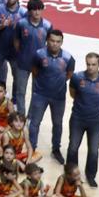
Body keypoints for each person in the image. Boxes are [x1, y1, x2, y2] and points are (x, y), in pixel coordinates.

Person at [28, 29, 75, 164]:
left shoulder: (68, 58)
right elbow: (35, 71)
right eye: (52, 41)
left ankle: (56, 149)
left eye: (58, 42)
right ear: (47, 40)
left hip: (58, 97)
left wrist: (57, 83)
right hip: (40, 95)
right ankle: (32, 148)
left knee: (58, 124)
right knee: (35, 123)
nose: (55, 44)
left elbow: (69, 74)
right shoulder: (39, 55)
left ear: (61, 42)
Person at [67, 53, 99, 188]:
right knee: (73, 147)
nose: (90, 67)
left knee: (93, 150)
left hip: (96, 122)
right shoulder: (77, 77)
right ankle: (70, 175)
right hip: (77, 119)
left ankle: (90, 176)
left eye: (94, 64)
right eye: (88, 64)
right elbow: (72, 93)